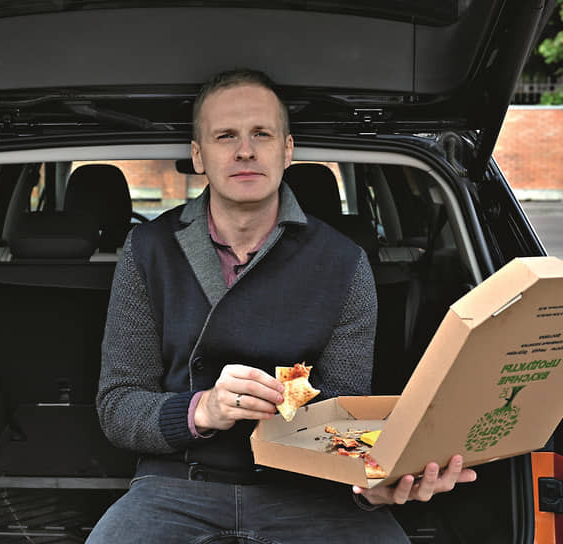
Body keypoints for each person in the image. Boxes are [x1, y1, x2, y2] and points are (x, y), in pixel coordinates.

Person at [89, 69, 475, 543]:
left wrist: (373, 481)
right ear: (198, 155)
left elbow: (341, 412)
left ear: (287, 150)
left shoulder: (344, 262)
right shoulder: (148, 249)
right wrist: (203, 408)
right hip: (177, 483)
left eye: (262, 134)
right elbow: (119, 405)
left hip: (307, 487)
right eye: (225, 136)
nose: (245, 151)